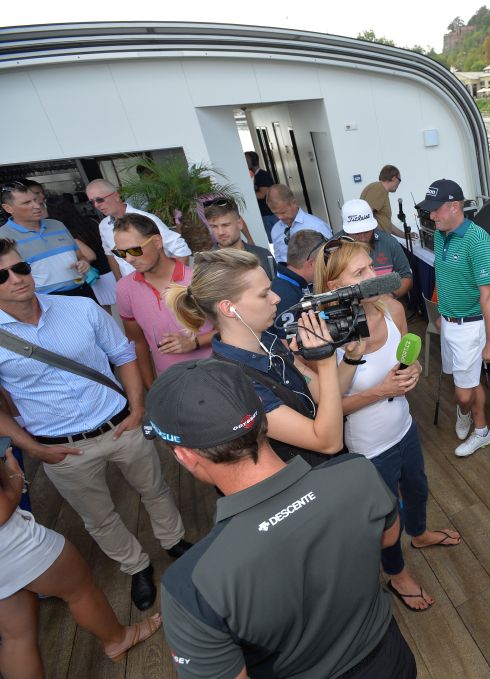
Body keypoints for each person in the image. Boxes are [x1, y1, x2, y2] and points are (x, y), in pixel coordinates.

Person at [146, 359, 417, 678]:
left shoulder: (191, 586)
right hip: (392, 660)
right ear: (262, 414)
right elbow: (387, 538)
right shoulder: (357, 472)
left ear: (185, 456)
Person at [0, 237, 190, 612]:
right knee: (99, 518)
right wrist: (33, 449)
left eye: (20, 268)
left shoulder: (80, 308)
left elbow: (123, 354)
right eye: (2, 275)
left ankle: (174, 542)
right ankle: (136, 566)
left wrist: (137, 408)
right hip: (60, 446)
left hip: (120, 423)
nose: (17, 279)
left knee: (155, 488)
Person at [314, 234, 461, 612]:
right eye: (360, 271)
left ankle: (422, 533)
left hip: (404, 428)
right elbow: (331, 410)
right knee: (385, 518)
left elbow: (404, 362)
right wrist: (380, 389)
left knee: (417, 488)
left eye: (372, 266)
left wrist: (411, 373)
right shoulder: (326, 334)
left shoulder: (393, 309)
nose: (374, 274)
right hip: (367, 449)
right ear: (335, 286)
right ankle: (396, 573)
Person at [166, 249, 357, 466]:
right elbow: (327, 442)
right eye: (264, 294)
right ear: (229, 308)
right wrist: (326, 360)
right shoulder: (235, 382)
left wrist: (351, 358)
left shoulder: (267, 340)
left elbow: (324, 394)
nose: (276, 298)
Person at [0, 453, 163, 674]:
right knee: (80, 589)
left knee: (17, 637)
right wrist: (15, 473)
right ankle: (118, 639)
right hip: (15, 544)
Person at [416, 178, 490, 458]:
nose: (431, 215)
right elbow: (443, 275)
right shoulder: (440, 234)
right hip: (448, 324)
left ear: (454, 206)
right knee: (466, 382)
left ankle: (477, 427)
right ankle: (477, 424)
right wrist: (441, 312)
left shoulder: (478, 241)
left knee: (464, 393)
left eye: (436, 209)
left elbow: (488, 296)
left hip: (470, 328)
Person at [114, 213, 213, 388]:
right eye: (121, 253)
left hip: (216, 376)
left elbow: (232, 328)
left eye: (135, 250)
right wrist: (152, 389)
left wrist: (195, 342)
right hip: (172, 388)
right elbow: (138, 344)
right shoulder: (125, 289)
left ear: (157, 242)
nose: (129, 259)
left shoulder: (198, 279)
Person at [0, 181, 98, 301]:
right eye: (27, 203)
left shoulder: (58, 225)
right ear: (8, 208)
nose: (36, 205)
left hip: (83, 291)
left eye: (35, 200)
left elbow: (81, 256)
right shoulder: (3, 237)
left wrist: (84, 263)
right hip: (44, 300)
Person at [85, 179, 191, 280]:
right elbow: (110, 255)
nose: (96, 205)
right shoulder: (103, 226)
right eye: (92, 202)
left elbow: (181, 249)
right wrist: (120, 282)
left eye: (99, 199)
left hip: (158, 283)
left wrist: (174, 282)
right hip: (133, 288)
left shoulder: (146, 219)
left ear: (116, 196)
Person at [45, 193, 116, 310]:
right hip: (109, 270)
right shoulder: (90, 221)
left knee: (109, 314)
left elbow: (90, 255)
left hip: (97, 277)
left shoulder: (66, 231)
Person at [340, 198, 413, 299]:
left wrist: (391, 295)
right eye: (356, 233)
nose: (362, 238)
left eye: (367, 231)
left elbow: (406, 276)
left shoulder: (389, 242)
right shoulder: (333, 249)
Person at [268, 229, 324, 342]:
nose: (326, 266)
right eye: (324, 260)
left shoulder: (296, 283)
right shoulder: (284, 295)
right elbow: (289, 345)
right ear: (312, 263)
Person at [205, 199, 275, 279]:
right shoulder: (207, 264)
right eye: (214, 226)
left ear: (240, 224)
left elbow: (275, 288)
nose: (220, 232)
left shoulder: (264, 255)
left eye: (226, 225)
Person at [265, 184, 332, 265]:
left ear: (294, 203)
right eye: (275, 213)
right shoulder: (276, 229)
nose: (279, 217)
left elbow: (332, 256)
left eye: (283, 212)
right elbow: (278, 257)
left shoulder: (317, 226)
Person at [359, 164, 410, 239]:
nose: (399, 183)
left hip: (381, 238)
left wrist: (405, 235)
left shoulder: (380, 190)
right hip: (378, 241)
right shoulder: (379, 189)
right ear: (394, 178)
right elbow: (365, 215)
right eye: (400, 180)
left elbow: (386, 224)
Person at [245, 151, 277, 237]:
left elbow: (262, 194)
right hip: (264, 213)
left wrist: (246, 195)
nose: (244, 162)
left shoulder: (262, 175)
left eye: (246, 160)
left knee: (275, 237)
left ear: (253, 161)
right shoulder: (253, 176)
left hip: (269, 213)